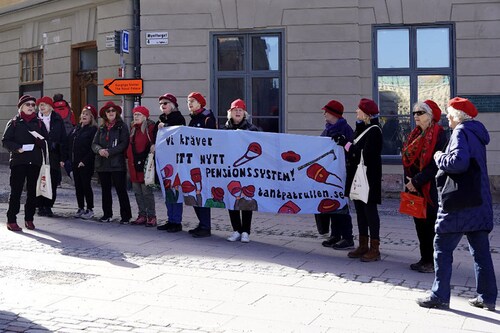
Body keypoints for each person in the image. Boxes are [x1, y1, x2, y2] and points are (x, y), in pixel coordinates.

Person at [417, 97, 497, 310]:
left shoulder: (460, 132)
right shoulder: (477, 132)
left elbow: (458, 162)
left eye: (449, 114)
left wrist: (439, 156)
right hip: (478, 202)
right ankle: (487, 297)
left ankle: (439, 295)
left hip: (459, 205)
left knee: (441, 248)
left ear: (457, 116)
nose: (447, 118)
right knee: (481, 253)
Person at [333, 98, 382, 262]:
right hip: (358, 177)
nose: (356, 111)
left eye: (359, 109)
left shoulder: (374, 130)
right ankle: (363, 244)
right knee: (360, 212)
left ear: (366, 114)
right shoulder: (362, 128)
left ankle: (375, 248)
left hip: (369, 179)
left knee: (370, 212)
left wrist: (346, 145)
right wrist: (346, 143)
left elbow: (363, 155)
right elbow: (355, 149)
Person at [401, 100, 447, 273]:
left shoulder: (439, 135)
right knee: (419, 225)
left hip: (430, 188)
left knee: (430, 225)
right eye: (414, 113)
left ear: (430, 116)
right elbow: (406, 158)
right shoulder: (414, 134)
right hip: (413, 186)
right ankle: (424, 258)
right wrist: (409, 181)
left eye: (420, 113)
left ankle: (433, 261)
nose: (416, 116)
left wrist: (416, 181)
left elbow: (435, 165)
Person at [2, 95, 48, 231]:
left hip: (34, 162)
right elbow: (5, 140)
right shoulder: (14, 122)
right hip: (18, 161)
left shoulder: (39, 123)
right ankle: (11, 220)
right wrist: (17, 148)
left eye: (33, 105)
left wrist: (42, 142)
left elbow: (47, 140)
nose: (31, 107)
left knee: (32, 192)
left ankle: (29, 219)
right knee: (16, 192)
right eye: (28, 104)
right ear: (21, 106)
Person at [317, 100, 355, 250]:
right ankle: (336, 234)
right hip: (328, 172)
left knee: (342, 206)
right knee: (331, 203)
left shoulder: (346, 130)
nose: (324, 114)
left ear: (333, 114)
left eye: (326, 111)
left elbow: (352, 151)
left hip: (341, 173)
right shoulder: (327, 129)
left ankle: (347, 237)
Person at [222, 99, 259, 243]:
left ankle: (246, 231)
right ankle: (236, 230)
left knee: (246, 200)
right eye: (235, 110)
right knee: (232, 199)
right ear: (230, 113)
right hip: (229, 171)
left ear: (244, 113)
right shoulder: (224, 130)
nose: (237, 112)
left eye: (240, 110)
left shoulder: (252, 129)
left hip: (247, 171)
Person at [92, 101, 132, 223]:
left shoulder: (122, 126)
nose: (110, 113)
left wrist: (110, 151)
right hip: (103, 164)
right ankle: (107, 214)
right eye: (108, 111)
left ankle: (126, 216)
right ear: (105, 114)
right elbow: (94, 144)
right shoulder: (102, 128)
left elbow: (124, 143)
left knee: (121, 190)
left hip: (117, 164)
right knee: (105, 190)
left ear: (116, 113)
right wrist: (100, 150)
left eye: (113, 111)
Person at [153, 93, 186, 233]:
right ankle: (170, 219)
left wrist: (165, 126)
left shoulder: (178, 118)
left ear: (172, 105)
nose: (163, 106)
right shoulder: (160, 119)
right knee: (167, 191)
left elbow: (178, 132)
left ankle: (176, 221)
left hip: (175, 160)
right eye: (161, 104)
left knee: (176, 190)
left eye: (165, 103)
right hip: (164, 159)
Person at [186, 92, 216, 238]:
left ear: (200, 103)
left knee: (202, 192)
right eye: (188, 101)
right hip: (193, 161)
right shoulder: (193, 119)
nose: (190, 104)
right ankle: (201, 223)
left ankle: (206, 226)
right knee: (194, 192)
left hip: (204, 162)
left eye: (192, 101)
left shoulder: (207, 118)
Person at [36, 96, 67, 217]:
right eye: (40, 105)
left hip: (54, 154)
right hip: (39, 154)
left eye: (44, 104)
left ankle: (48, 206)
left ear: (50, 106)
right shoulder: (36, 119)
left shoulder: (57, 119)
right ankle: (39, 205)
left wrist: (63, 158)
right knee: (39, 180)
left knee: (52, 181)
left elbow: (63, 138)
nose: (41, 107)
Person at [127, 106, 157, 227]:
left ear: (145, 116)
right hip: (133, 165)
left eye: (139, 114)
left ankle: (151, 216)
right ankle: (142, 214)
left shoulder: (149, 128)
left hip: (145, 165)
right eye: (135, 115)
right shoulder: (133, 129)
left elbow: (154, 142)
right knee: (137, 192)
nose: (136, 117)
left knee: (146, 192)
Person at [66, 104, 98, 220]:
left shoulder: (93, 130)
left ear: (91, 118)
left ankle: (90, 209)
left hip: (85, 163)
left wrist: (84, 161)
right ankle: (80, 207)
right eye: (83, 114)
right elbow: (69, 143)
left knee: (86, 186)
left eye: (87, 115)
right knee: (78, 186)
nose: (84, 116)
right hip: (74, 162)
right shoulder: (76, 128)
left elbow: (92, 148)